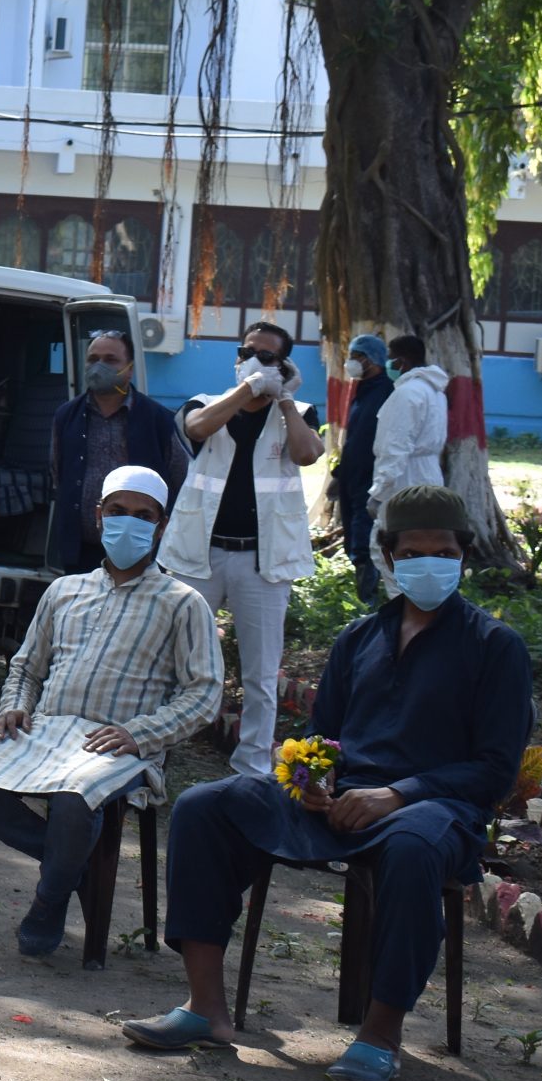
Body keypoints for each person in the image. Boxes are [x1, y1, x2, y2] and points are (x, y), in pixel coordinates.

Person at [124, 485, 533, 1081]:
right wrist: (313, 780)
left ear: (463, 555)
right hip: (339, 802)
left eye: (444, 552)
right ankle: (204, 1008)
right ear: (390, 557)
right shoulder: (359, 638)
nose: (430, 563)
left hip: (433, 808)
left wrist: (398, 795)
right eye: (414, 551)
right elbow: (323, 737)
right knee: (204, 805)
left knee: (413, 849)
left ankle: (380, 1035)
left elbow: (495, 769)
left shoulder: (495, 647)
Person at [0, 466, 222, 956]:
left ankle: (48, 900)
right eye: (117, 513)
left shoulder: (183, 603)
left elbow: (204, 695)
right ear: (98, 515)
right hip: (45, 732)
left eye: (142, 516)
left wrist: (140, 735)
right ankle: (70, 865)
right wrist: (15, 707)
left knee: (73, 798)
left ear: (161, 524)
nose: (128, 524)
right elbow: (26, 668)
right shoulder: (64, 591)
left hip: (119, 745)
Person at [161, 321, 325, 778]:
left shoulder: (301, 411)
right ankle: (153, 756)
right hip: (200, 555)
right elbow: (195, 429)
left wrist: (284, 396)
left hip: (262, 561)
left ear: (286, 365)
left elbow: (307, 453)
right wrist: (248, 388)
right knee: (173, 660)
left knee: (260, 673)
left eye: (268, 357)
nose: (255, 360)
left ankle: (251, 771)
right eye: (247, 351)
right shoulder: (206, 404)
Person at [47, 328, 186, 574]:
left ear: (129, 369)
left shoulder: (158, 419)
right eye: (93, 359)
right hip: (81, 550)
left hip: (140, 552)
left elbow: (178, 479)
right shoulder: (66, 415)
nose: (99, 366)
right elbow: (58, 474)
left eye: (110, 360)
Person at [332, 333, 394, 602]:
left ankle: (367, 598)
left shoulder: (385, 393)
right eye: (352, 356)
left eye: (358, 357)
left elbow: (373, 441)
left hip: (369, 477)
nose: (352, 363)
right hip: (352, 476)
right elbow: (354, 440)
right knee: (354, 531)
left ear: (373, 361)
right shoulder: (362, 391)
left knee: (364, 536)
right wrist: (339, 474)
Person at [368, 334, 450, 531]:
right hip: (430, 476)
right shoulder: (435, 392)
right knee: (423, 537)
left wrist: (379, 492)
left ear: (402, 361)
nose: (388, 364)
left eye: (391, 358)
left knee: (394, 541)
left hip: (405, 478)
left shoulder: (407, 393)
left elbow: (395, 446)